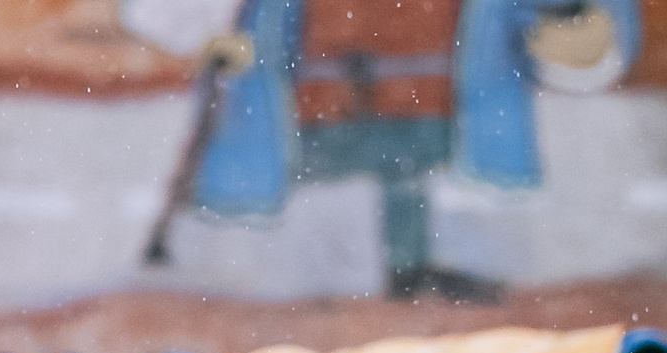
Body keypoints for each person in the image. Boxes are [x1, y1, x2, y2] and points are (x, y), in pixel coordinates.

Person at [129, 0, 638, 299]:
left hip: (436, 102)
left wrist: (574, 34)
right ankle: (370, 278)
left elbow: (573, 35)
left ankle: (406, 270)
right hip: (314, 113)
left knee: (407, 169)